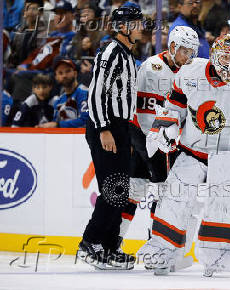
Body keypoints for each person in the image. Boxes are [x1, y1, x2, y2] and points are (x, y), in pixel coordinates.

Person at [139, 34, 230, 277]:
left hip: (229, 154)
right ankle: (162, 249)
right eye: (224, 57)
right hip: (191, 150)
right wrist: (166, 126)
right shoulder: (191, 71)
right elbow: (174, 105)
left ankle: (217, 254)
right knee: (174, 199)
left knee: (223, 206)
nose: (229, 63)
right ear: (213, 55)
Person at [119, 25, 200, 249]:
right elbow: (140, 107)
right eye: (185, 51)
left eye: (193, 52)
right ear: (172, 46)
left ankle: (141, 241)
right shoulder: (151, 67)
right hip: (146, 136)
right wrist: (154, 139)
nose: (189, 57)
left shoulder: (191, 72)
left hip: (166, 140)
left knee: (144, 190)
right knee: (156, 190)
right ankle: (149, 242)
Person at [77, 2, 144, 270]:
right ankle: (90, 242)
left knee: (120, 189)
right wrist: (104, 128)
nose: (141, 27)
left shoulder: (127, 53)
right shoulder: (111, 53)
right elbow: (96, 93)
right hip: (106, 126)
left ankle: (108, 245)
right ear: (124, 26)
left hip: (121, 127)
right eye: (136, 23)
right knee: (112, 187)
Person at [36, 57, 89, 128]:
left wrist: (57, 125)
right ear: (56, 77)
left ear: (75, 73)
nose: (64, 75)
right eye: (60, 73)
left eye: (68, 71)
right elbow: (54, 124)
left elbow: (86, 121)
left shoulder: (85, 93)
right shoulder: (58, 101)